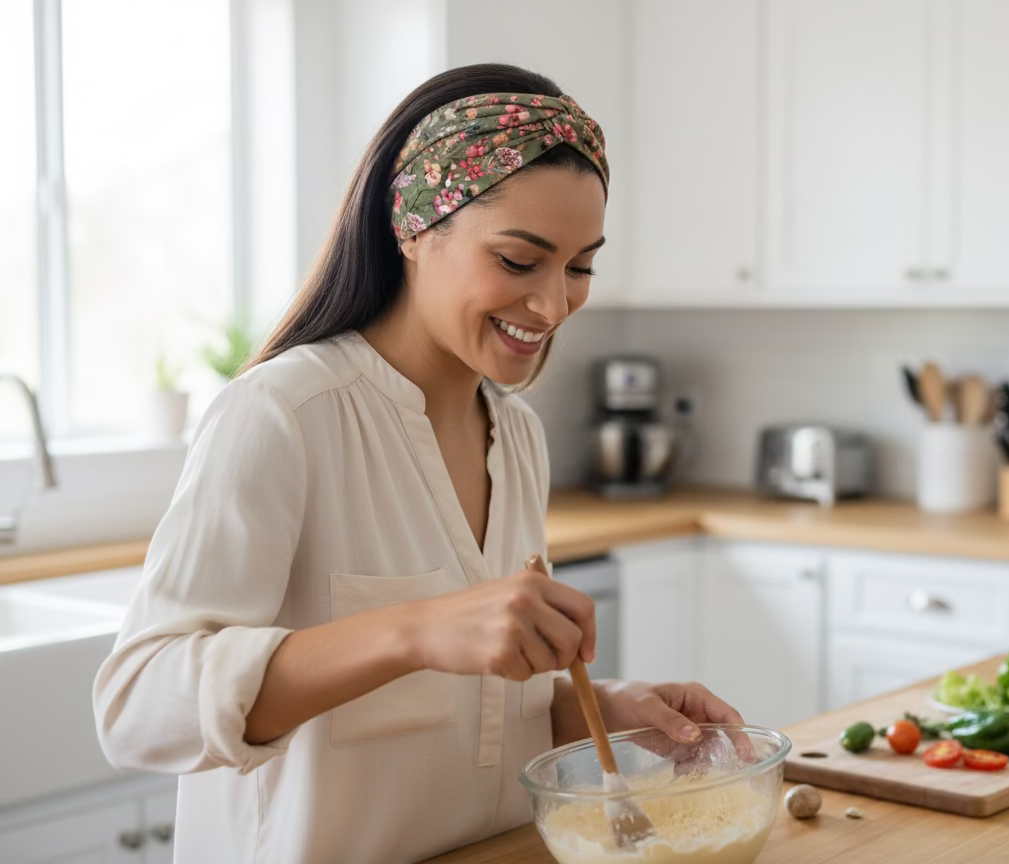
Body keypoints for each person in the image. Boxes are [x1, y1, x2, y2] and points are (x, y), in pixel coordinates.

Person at [93, 63, 743, 864]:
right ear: (412, 228)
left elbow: (468, 718)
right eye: (517, 260)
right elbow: (136, 708)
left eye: (579, 267)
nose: (552, 305)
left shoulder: (518, 435)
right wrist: (417, 629)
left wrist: (600, 710)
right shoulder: (285, 415)